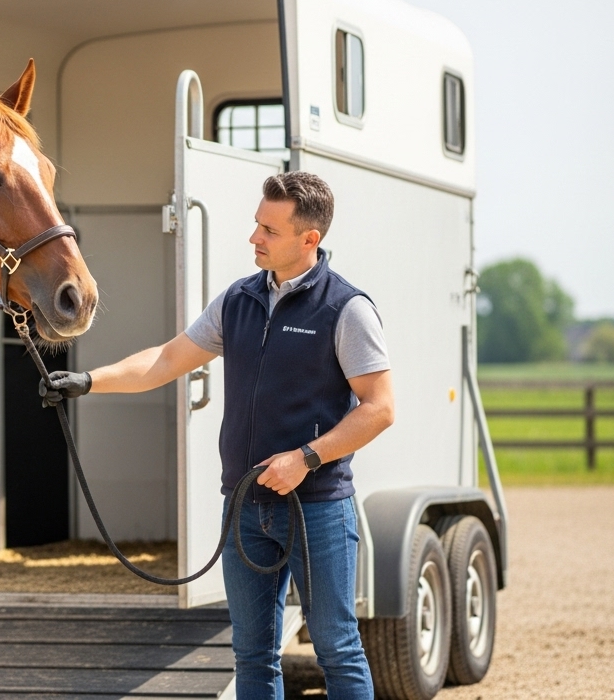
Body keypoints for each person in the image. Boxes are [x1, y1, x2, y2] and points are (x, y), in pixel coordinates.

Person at [41, 171, 393, 699]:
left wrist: (306, 458)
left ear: (309, 240)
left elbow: (380, 409)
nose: (254, 237)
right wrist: (88, 382)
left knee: (338, 650)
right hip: (246, 506)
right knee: (252, 656)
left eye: (269, 230)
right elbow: (165, 360)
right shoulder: (239, 300)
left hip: (316, 508)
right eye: (257, 224)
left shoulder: (346, 309)